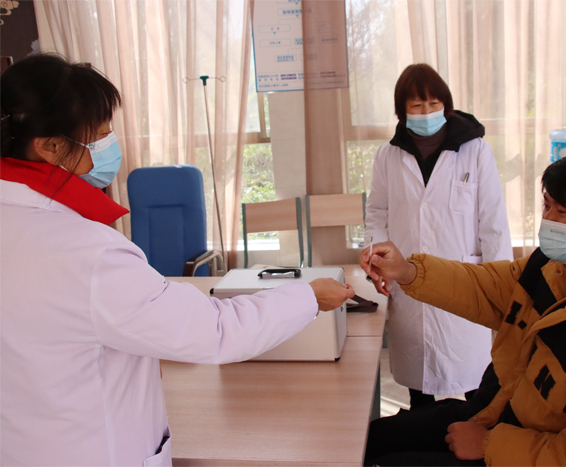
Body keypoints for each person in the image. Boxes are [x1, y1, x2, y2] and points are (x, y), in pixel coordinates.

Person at [0, 53, 355, 466]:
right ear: (49, 146)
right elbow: (215, 331)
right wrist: (310, 296)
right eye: (99, 135)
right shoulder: (87, 254)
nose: (110, 145)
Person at [360, 151, 566, 466]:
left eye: (562, 212)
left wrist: (489, 445)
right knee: (367, 440)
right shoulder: (552, 268)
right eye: (547, 206)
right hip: (496, 413)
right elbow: (484, 287)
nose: (548, 221)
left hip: (521, 451)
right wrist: (407, 271)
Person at [364, 63, 512, 408]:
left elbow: (493, 220)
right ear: (402, 111)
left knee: (476, 380)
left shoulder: (476, 150)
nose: (426, 113)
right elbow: (377, 214)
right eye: (416, 106)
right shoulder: (388, 156)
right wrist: (377, 261)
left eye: (434, 104)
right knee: (420, 381)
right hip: (408, 276)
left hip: (465, 277)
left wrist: (500, 283)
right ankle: (422, 432)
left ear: (447, 105)